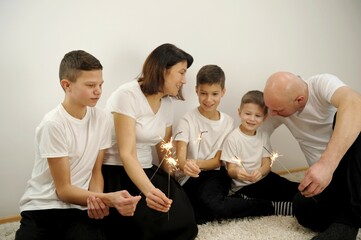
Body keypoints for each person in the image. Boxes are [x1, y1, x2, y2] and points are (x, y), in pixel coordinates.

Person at [15, 50, 141, 240]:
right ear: (67, 85)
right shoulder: (53, 124)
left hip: (80, 205)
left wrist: (96, 201)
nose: (98, 91)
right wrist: (109, 199)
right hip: (43, 206)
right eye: (91, 85)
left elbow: (95, 171)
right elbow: (63, 190)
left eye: (100, 84)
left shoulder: (102, 118)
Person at [174, 65, 294, 224]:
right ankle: (265, 206)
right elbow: (180, 159)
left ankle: (261, 205)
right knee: (196, 215)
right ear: (196, 90)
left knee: (211, 205)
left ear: (223, 92)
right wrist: (186, 165)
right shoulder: (187, 120)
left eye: (215, 94)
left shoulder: (228, 123)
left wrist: (197, 163)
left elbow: (218, 161)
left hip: (216, 174)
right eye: (203, 93)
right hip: (191, 177)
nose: (209, 100)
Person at [102, 43, 198, 240]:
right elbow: (126, 154)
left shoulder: (168, 103)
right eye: (181, 73)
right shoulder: (127, 95)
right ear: (163, 70)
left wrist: (180, 167)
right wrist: (150, 191)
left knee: (183, 219)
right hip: (117, 170)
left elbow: (164, 150)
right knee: (142, 229)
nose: (184, 80)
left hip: (147, 168)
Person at [262, 72, 361, 240]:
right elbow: (258, 133)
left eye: (277, 110)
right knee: (302, 207)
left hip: (351, 168)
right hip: (328, 183)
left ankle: (347, 222)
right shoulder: (278, 110)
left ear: (299, 100)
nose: (271, 114)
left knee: (351, 115)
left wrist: (326, 165)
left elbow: (354, 103)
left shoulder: (321, 84)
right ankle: (348, 213)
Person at [221, 90, 299, 217]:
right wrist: (239, 174)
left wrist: (261, 172)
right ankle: (289, 208)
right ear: (239, 112)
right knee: (275, 198)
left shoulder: (263, 136)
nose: (252, 119)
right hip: (245, 186)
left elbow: (267, 164)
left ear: (265, 117)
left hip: (264, 178)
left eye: (257, 116)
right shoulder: (233, 139)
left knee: (291, 188)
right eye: (248, 114)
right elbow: (231, 170)